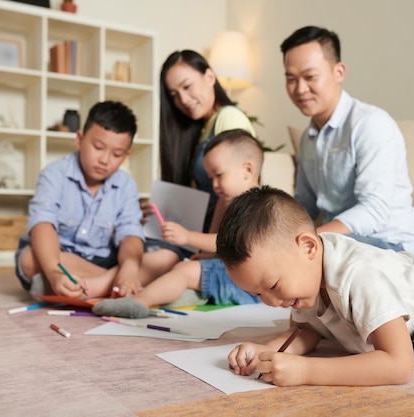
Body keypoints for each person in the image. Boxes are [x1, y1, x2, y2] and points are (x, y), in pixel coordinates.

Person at [220, 186, 414, 387]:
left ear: (309, 247)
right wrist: (266, 350)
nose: (270, 302)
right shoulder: (302, 286)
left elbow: (399, 365)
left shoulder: (356, 274)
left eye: (272, 285)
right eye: (258, 294)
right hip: (403, 324)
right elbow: (306, 332)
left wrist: (305, 371)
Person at [281, 26, 414, 255]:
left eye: (310, 77)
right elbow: (303, 205)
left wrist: (310, 240)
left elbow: (373, 211)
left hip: (391, 247)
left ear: (339, 72)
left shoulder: (371, 124)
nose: (300, 89)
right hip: (339, 245)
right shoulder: (309, 139)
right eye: (291, 79)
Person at [92, 129, 263, 318]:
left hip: (246, 282)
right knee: (181, 268)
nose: (214, 184)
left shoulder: (259, 204)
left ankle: (139, 302)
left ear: (248, 170)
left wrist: (187, 237)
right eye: (210, 177)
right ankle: (178, 296)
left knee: (184, 271)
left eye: (219, 175)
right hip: (227, 271)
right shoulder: (225, 200)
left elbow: (229, 242)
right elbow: (216, 239)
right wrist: (206, 256)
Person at [15, 101, 161, 298]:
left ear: (126, 155)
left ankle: (82, 288)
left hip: (104, 259)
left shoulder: (126, 184)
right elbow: (42, 223)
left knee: (166, 257)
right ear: (79, 139)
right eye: (98, 147)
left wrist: (128, 267)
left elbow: (130, 233)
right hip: (61, 257)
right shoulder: (54, 174)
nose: (105, 160)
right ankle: (118, 284)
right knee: (30, 260)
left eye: (117, 154)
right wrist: (54, 271)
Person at [140, 50, 257, 273]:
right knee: (137, 245)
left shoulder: (229, 118)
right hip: (200, 234)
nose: (182, 100)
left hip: (216, 238)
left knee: (158, 257)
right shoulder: (202, 128)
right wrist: (161, 211)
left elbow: (231, 193)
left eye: (187, 86)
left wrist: (208, 246)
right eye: (174, 95)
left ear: (210, 77)